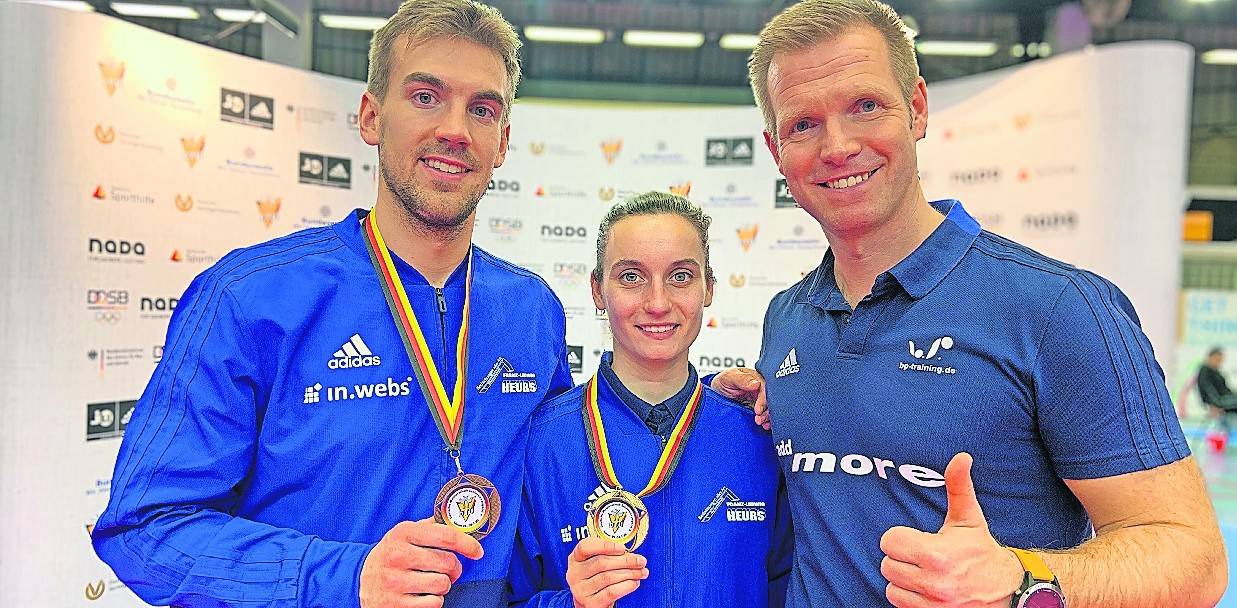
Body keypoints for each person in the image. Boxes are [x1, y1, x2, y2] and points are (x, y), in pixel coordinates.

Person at [745, 1, 1227, 606]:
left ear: (917, 108)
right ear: (776, 149)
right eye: (803, 125)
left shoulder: (1059, 309)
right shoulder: (788, 318)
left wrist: (1023, 579)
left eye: (865, 106)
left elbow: (1192, 558)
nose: (837, 146)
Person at [507, 192, 793, 608]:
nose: (658, 303)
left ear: (709, 288)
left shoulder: (757, 436)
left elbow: (791, 590)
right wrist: (570, 604)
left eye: (681, 276)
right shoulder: (542, 441)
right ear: (597, 291)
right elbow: (502, 597)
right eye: (631, 276)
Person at [1198, 347, 1237, 430]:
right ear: (1210, 358)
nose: (1219, 363)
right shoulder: (1205, 372)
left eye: (1220, 361)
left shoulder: (1215, 372)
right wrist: (1214, 404)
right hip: (1218, 402)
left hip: (1224, 399)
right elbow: (1208, 391)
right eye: (1217, 360)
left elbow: (1226, 389)